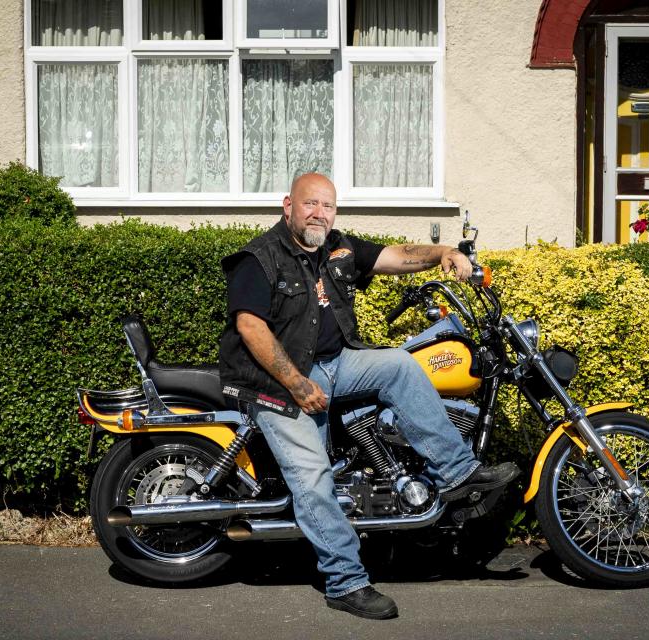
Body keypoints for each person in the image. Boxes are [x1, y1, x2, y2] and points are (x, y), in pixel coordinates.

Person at [218, 173, 519, 620]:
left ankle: (457, 475)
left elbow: (396, 256)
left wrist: (444, 253)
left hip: (337, 364)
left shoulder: (336, 247)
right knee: (313, 476)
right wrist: (298, 386)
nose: (320, 213)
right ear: (288, 206)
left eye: (328, 205)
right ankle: (345, 582)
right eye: (310, 204)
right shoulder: (259, 258)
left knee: (399, 365)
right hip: (276, 385)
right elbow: (250, 326)